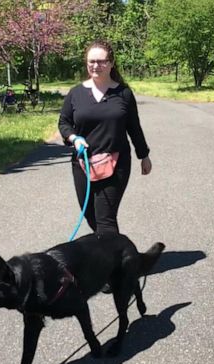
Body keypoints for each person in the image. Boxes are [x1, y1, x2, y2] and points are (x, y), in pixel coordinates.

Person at [58, 39, 152, 235]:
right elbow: (64, 123)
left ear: (111, 63)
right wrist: (74, 138)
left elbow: (134, 127)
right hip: (83, 163)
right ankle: (114, 255)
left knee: (105, 218)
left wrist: (143, 155)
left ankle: (117, 263)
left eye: (101, 61)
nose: (96, 66)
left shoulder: (123, 94)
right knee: (91, 215)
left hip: (116, 163)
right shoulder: (76, 93)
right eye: (91, 61)